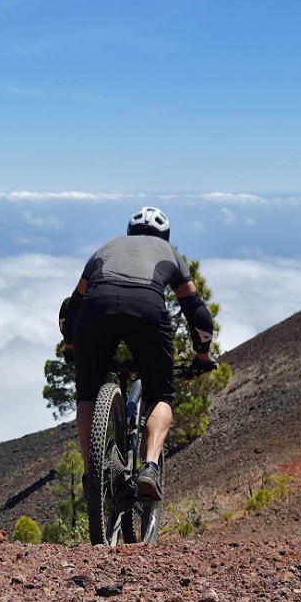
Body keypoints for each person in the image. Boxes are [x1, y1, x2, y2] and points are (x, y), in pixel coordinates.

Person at [59, 206, 216, 500]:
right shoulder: (169, 252)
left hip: (97, 307)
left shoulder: (105, 248)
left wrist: (70, 347)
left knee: (88, 394)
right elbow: (197, 312)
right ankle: (150, 468)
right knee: (160, 396)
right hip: (146, 308)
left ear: (129, 231)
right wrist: (203, 355)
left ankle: (91, 473)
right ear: (165, 235)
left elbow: (72, 307)